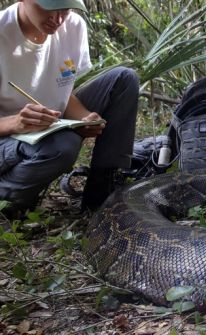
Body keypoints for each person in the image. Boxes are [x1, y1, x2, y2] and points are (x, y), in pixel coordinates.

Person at [0, 0, 139, 216]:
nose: (57, 19)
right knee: (63, 145)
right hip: (7, 139)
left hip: (47, 126)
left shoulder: (73, 27)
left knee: (124, 79)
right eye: (48, 7)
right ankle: (8, 201)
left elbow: (62, 91)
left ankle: (103, 195)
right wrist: (15, 123)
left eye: (65, 8)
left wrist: (84, 118)